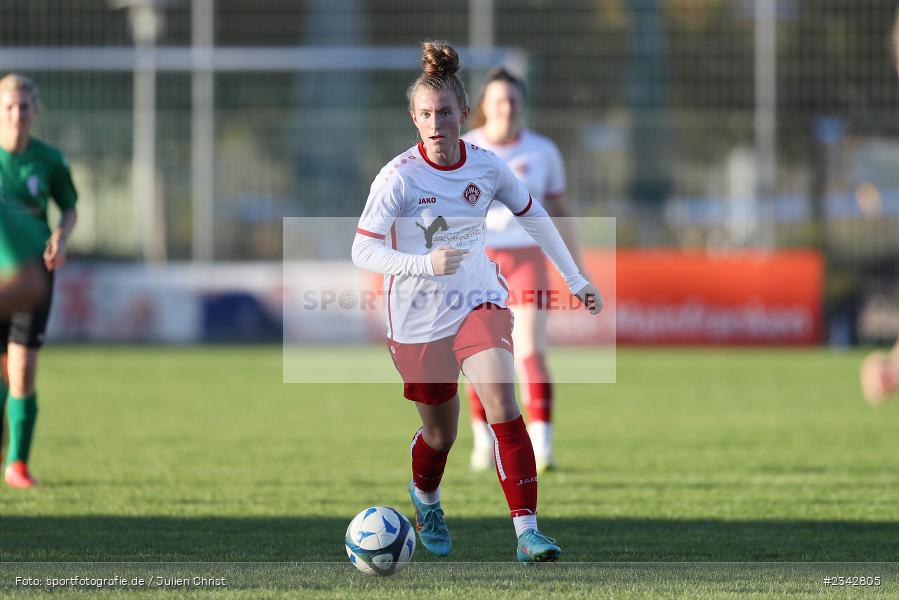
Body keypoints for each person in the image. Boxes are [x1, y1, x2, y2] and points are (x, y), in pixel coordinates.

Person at [352, 40, 602, 562]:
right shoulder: (397, 177)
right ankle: (426, 497)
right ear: (414, 119)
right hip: (417, 319)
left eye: (445, 112)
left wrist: (575, 278)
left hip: (477, 300)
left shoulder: (486, 167)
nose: (437, 122)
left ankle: (528, 531)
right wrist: (422, 264)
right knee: (439, 435)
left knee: (503, 404)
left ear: (466, 114)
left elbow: (534, 214)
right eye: (426, 114)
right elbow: (362, 249)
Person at [463, 68, 583, 473]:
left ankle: (542, 444)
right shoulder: (466, 149)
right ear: (484, 106)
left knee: (530, 349)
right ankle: (483, 442)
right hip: (479, 263)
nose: (506, 108)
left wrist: (576, 270)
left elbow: (560, 211)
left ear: (522, 105)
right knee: (479, 357)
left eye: (513, 100)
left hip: (527, 259)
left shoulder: (543, 152)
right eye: (499, 100)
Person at [0, 73, 78, 488]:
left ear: (36, 110)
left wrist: (61, 236)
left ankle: (18, 464)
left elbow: (69, 207)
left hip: (32, 275)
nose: (17, 115)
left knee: (22, 371)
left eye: (24, 107)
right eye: (9, 107)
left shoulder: (49, 161)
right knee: (2, 373)